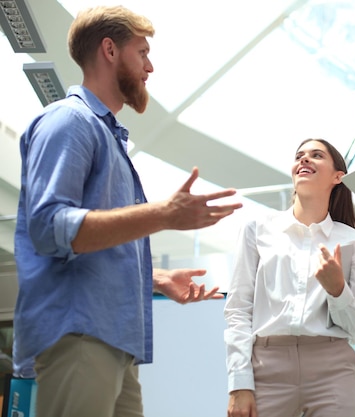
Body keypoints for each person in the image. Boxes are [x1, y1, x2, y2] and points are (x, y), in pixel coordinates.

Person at [12, 6, 242, 417]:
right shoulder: (69, 122)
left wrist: (153, 278)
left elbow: (89, 243)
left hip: (114, 345)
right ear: (109, 50)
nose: (150, 67)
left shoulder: (107, 137)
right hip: (80, 334)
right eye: (142, 52)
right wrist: (165, 215)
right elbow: (49, 227)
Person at [224, 138, 355, 417]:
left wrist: (338, 290)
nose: (304, 160)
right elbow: (238, 310)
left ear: (338, 177)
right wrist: (239, 384)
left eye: (316, 155)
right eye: (299, 156)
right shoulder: (257, 230)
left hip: (333, 370)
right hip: (266, 369)